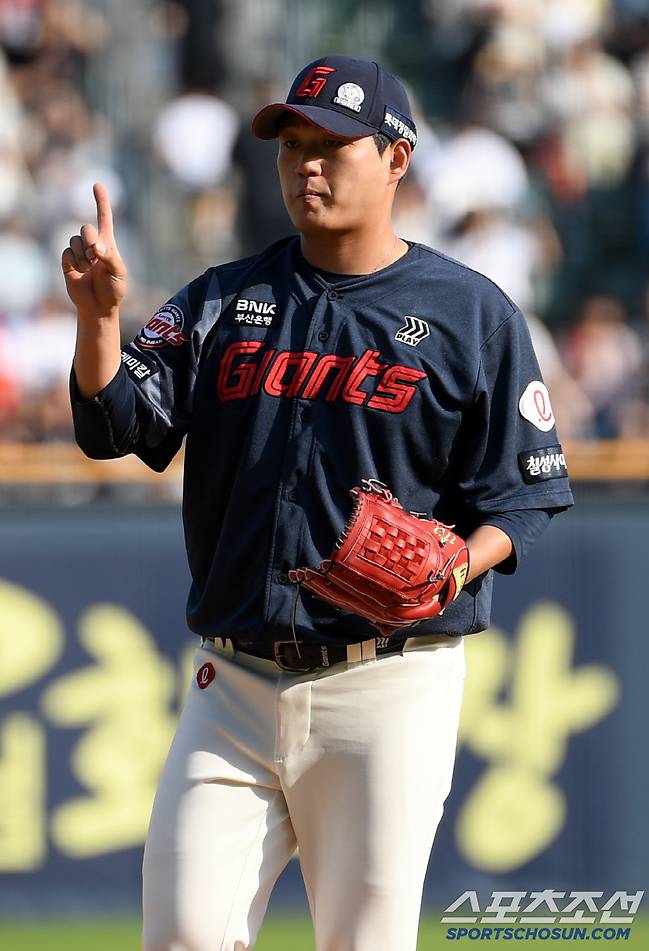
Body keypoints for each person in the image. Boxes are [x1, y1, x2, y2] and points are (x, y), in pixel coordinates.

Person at [63, 55, 573, 951]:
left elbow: (525, 496)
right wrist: (99, 319)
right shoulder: (225, 299)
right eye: (293, 141)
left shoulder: (472, 314)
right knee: (179, 935)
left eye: (334, 143)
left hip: (388, 683)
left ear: (397, 159)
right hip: (235, 685)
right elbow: (117, 430)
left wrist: (459, 557)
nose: (307, 162)